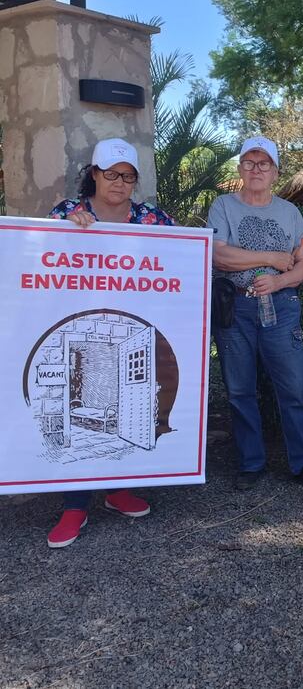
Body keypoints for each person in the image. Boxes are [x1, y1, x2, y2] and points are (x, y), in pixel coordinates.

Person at [46, 138, 174, 548]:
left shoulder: (153, 218)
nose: (120, 183)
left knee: (125, 407)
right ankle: (75, 503)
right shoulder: (67, 213)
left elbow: (182, 258)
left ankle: (118, 490)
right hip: (79, 328)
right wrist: (65, 234)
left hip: (132, 327)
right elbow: (39, 258)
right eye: (111, 174)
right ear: (94, 175)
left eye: (128, 176)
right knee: (76, 399)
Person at [207, 136, 303, 490]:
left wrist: (281, 281)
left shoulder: (289, 212)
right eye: (249, 163)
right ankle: (251, 463)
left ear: (275, 172)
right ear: (240, 169)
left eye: (264, 164)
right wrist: (271, 258)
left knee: (294, 388)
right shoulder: (223, 206)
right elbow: (218, 256)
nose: (256, 169)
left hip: (281, 308)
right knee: (240, 389)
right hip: (235, 307)